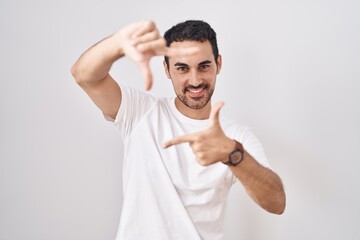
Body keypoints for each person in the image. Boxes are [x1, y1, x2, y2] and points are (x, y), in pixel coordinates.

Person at [71, 20, 286, 240]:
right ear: (166, 69)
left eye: (204, 66)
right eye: (182, 68)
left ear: (218, 64)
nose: (194, 81)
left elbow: (276, 203)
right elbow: (84, 75)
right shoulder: (140, 112)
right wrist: (117, 44)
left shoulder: (235, 137)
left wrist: (232, 154)